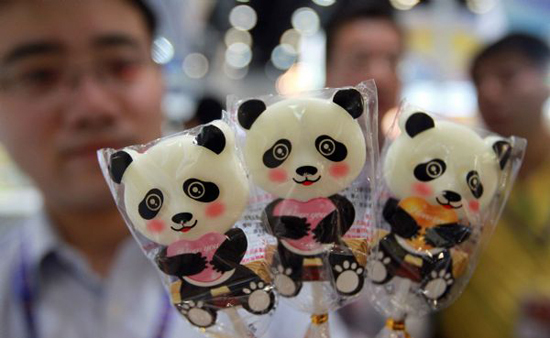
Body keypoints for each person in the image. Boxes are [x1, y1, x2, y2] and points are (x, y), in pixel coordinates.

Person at [0, 1, 351, 337]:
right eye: (39, 74)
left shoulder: (279, 269)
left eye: (120, 65)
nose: (92, 106)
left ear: (160, 78)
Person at [438, 33, 550, 338]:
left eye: (507, 75)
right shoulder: (457, 175)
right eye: (478, 81)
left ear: (545, 79)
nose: (488, 91)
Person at [324, 0, 404, 147]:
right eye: (360, 59)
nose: (381, 76)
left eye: (392, 60)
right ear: (327, 72)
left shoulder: (409, 165)